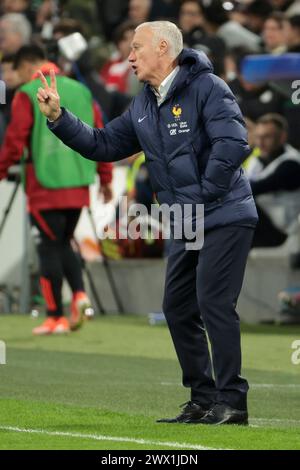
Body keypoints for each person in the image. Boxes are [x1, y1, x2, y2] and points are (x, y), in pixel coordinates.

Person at [37, 21, 258, 425]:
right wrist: (60, 118)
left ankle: (233, 402)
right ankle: (204, 398)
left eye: (136, 48)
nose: (130, 57)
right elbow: (104, 144)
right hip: (185, 220)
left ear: (163, 48)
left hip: (225, 214)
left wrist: (202, 194)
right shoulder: (142, 105)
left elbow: (234, 143)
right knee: (176, 307)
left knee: (213, 303)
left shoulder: (208, 87)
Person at [0, 45, 113, 335]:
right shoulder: (81, 89)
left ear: (26, 66)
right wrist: (106, 178)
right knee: (63, 242)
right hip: (77, 181)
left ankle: (55, 315)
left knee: (49, 247)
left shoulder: (27, 92)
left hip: (44, 186)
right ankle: (79, 295)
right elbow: (101, 133)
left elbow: (15, 140)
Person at [247, 113, 300, 247]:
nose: (260, 142)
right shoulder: (257, 160)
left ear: (282, 137)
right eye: (258, 137)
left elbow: (251, 189)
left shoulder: (291, 164)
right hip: (263, 224)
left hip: (282, 232)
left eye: (266, 137)